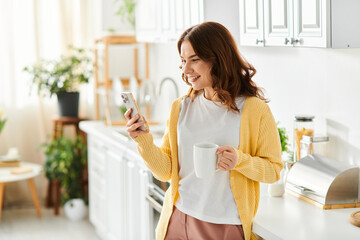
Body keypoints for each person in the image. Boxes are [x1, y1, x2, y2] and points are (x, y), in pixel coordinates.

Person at [124, 21, 283, 240]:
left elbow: (273, 170)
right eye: (183, 61)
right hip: (178, 219)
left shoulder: (254, 110)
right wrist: (143, 140)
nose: (186, 70)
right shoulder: (181, 107)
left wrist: (240, 161)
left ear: (218, 58)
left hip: (225, 226)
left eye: (195, 60)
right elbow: (166, 171)